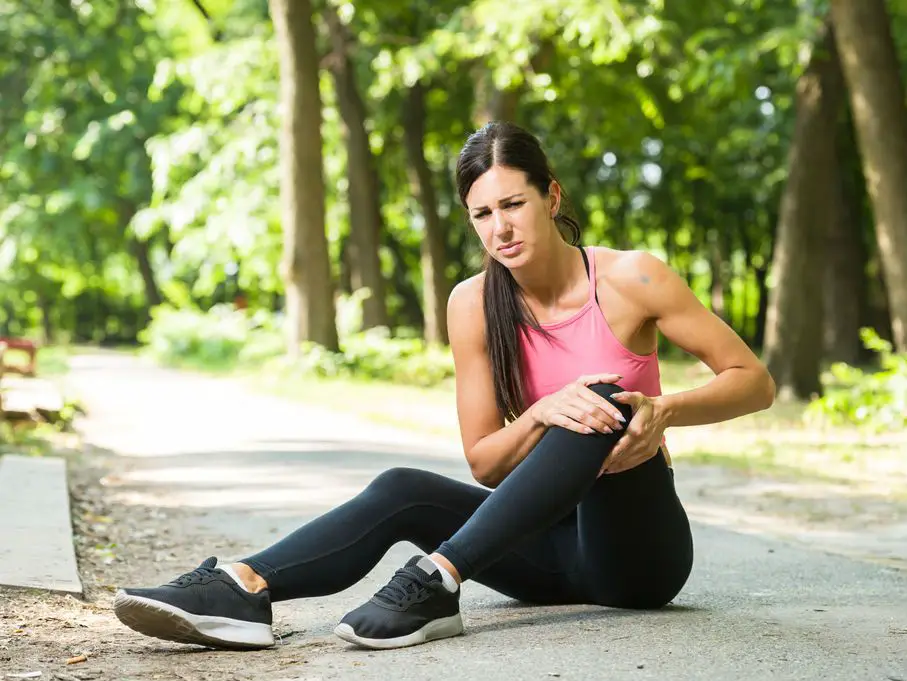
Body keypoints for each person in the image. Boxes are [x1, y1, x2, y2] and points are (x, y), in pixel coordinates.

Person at [113, 121, 775, 651]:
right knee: (403, 487)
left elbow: (753, 382)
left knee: (597, 400)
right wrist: (541, 410)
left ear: (552, 196)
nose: (500, 228)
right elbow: (486, 461)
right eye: (481, 213)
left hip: (637, 552)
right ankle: (243, 584)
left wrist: (661, 410)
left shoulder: (631, 278)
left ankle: (437, 578)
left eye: (513, 203)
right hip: (546, 553)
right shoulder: (472, 303)